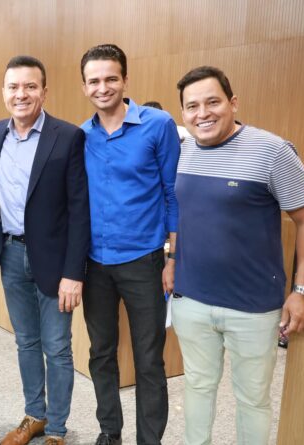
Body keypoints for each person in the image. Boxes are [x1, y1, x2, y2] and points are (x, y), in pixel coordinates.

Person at [172, 65, 304, 445]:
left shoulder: (272, 151)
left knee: (253, 400)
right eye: (192, 106)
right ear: (183, 113)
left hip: (253, 307)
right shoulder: (182, 151)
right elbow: (181, 214)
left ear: (233, 102)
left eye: (212, 102)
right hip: (191, 300)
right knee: (197, 388)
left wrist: (303, 289)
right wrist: (172, 259)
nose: (202, 113)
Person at [0, 55, 90, 445]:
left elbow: (81, 210)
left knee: (58, 347)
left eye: (30, 86)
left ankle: (58, 429)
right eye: (13, 86)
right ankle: (35, 416)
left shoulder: (67, 136)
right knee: (25, 341)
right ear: (4, 92)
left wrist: (74, 272)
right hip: (11, 255)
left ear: (44, 91)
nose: (21, 94)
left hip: (56, 261)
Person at [79, 44, 179, 445]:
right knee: (101, 354)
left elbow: (174, 195)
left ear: (125, 79)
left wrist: (174, 258)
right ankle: (110, 432)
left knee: (149, 360)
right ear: (84, 85)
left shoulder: (159, 125)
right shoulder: (80, 135)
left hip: (145, 261)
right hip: (95, 264)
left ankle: (149, 440)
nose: (102, 87)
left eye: (110, 78)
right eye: (94, 80)